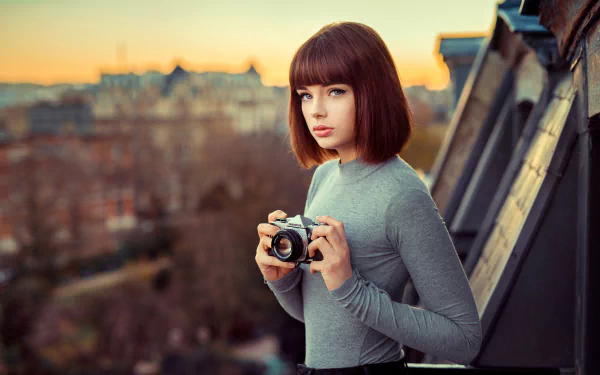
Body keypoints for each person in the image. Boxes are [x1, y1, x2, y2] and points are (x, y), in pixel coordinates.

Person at [255, 21, 482, 375]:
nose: (316, 110)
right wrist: (280, 277)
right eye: (305, 94)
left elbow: (464, 338)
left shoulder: (402, 195)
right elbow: (320, 317)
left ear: (374, 92)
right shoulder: (324, 176)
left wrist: (351, 287)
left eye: (335, 91)